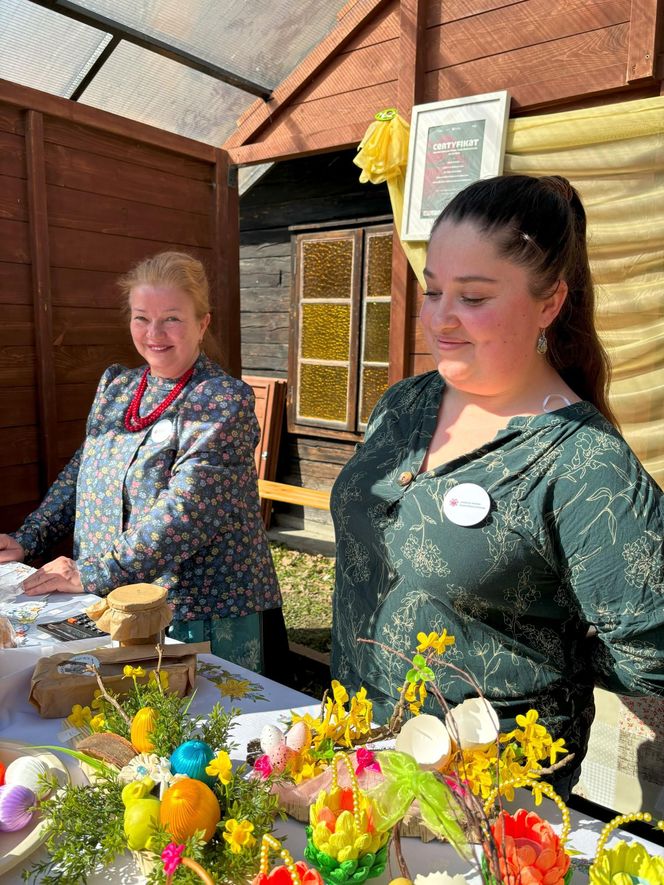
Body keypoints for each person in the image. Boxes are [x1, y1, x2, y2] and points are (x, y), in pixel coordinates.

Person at [330, 174, 664, 796]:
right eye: (433, 291)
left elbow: (656, 646)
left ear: (549, 301)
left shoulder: (584, 464)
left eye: (474, 297)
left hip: (487, 788)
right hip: (355, 740)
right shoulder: (403, 404)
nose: (440, 318)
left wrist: (544, 665)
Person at [0, 251, 287, 676]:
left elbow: (187, 511)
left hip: (196, 609)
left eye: (171, 318)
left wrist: (96, 572)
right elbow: (84, 471)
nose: (154, 333)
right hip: (113, 598)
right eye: (141, 318)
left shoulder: (222, 401)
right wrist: (29, 538)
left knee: (196, 730)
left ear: (202, 322)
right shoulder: (119, 386)